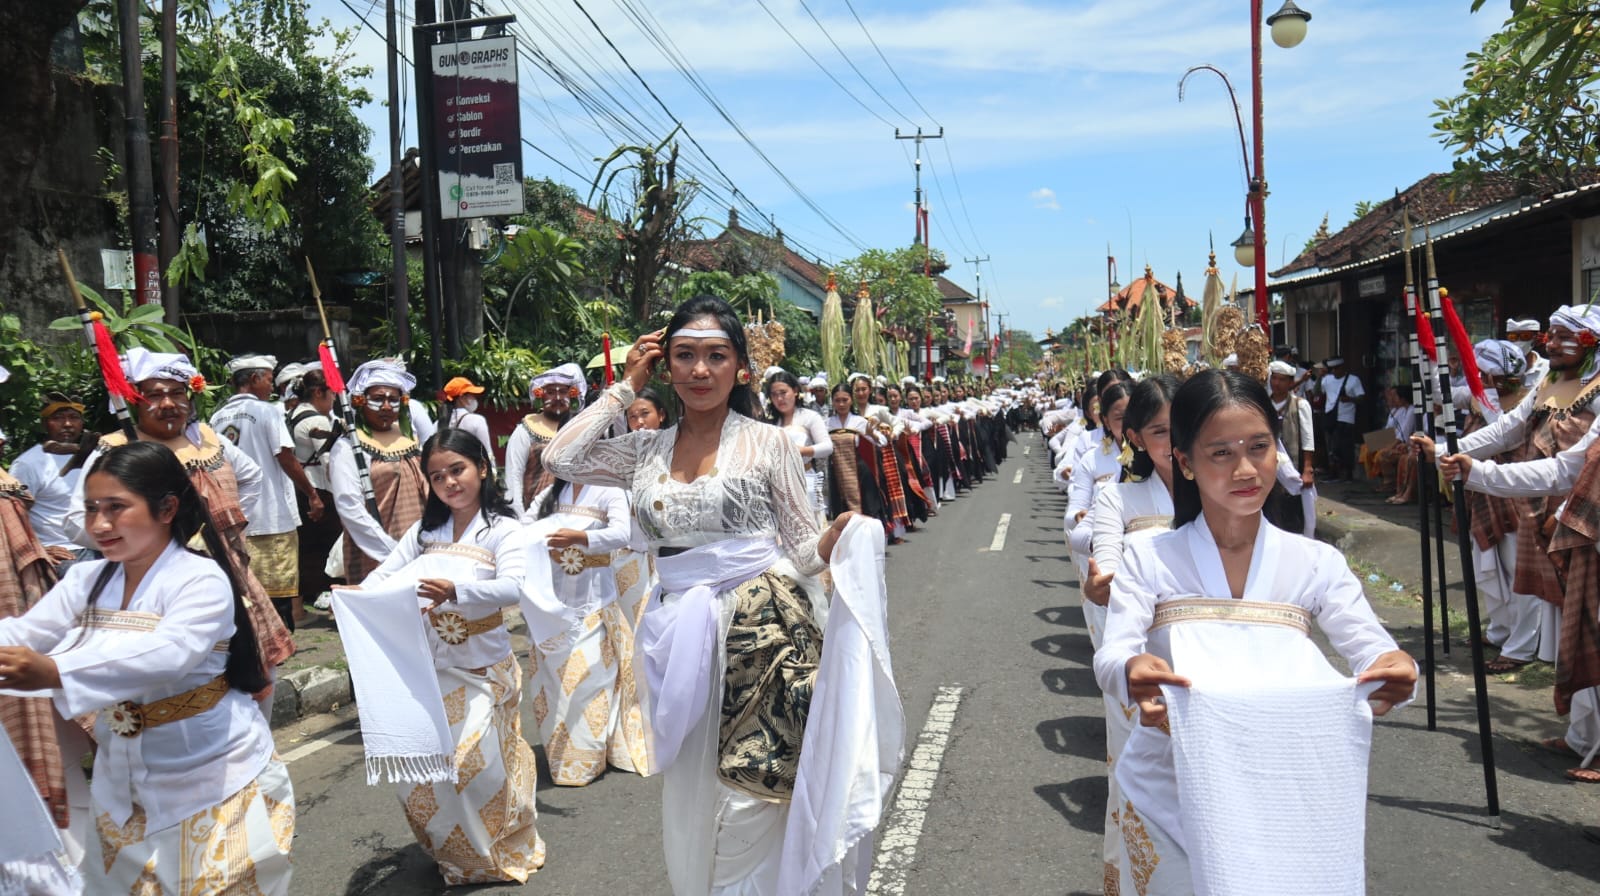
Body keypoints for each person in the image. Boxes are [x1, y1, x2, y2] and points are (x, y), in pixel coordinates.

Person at [542, 294, 900, 895]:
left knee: (751, 798)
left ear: (740, 368)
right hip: (675, 635)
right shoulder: (643, 449)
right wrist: (626, 385)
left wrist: (838, 537)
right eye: (684, 356)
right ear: (666, 365)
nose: (700, 371)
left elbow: (802, 548)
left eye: (716, 356)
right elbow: (561, 455)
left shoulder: (768, 443)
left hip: (763, 632)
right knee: (698, 791)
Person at [1093, 371, 1416, 893]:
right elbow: (1113, 655)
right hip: (1171, 786)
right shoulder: (1149, 558)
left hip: (1288, 789)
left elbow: (1373, 650)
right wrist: (1133, 671)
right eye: (1220, 452)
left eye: (1259, 446)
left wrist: (1399, 670)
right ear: (1185, 462)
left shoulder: (1316, 562)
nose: (1245, 469)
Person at [1, 441, 294, 893]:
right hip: (123, 784)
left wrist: (56, 671)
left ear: (167, 508)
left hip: (216, 773)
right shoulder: (85, 579)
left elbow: (170, 653)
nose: (99, 523)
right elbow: (21, 635)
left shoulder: (201, 580)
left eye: (116, 508)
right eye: (91, 508)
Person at [351, 429, 545, 883]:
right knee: (424, 768)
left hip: (482, 666)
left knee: (475, 763)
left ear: (482, 467)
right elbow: (385, 575)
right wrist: (354, 595)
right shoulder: (426, 532)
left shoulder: (504, 530)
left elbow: (514, 587)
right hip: (427, 668)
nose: (449, 483)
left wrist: (459, 590)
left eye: (457, 470)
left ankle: (501, 842)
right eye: (437, 476)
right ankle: (458, 853)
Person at [68, 349, 295, 709]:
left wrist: (227, 528)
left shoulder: (205, 439)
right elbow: (76, 523)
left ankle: (253, 753)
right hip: (153, 587)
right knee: (178, 680)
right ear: (134, 401)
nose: (168, 403)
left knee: (255, 669)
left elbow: (252, 478)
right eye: (155, 395)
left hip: (228, 574)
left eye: (177, 393)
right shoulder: (114, 451)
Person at [1082, 374, 1180, 892]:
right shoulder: (1117, 500)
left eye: (1182, 427)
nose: (1174, 442)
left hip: (1207, 660)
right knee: (1146, 791)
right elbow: (1105, 568)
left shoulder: (1219, 491)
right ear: (1136, 437)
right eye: (1160, 431)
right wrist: (1106, 583)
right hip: (1142, 661)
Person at [522, 429, 641, 785]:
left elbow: (623, 533)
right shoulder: (550, 492)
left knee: (587, 680)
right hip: (552, 602)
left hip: (594, 599)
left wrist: (582, 538)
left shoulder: (611, 489)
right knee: (553, 683)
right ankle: (561, 753)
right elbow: (523, 528)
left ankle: (587, 756)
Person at [212, 353, 324, 629]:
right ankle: (279, 642)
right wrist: (311, 493)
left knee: (245, 589)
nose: (272, 386)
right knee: (277, 591)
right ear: (254, 379)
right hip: (271, 514)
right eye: (269, 379)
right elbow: (285, 456)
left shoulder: (216, 417)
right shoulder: (267, 411)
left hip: (236, 515)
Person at [328, 358, 429, 584]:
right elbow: (350, 506)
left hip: (422, 545)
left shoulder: (410, 439)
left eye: (393, 400)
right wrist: (390, 552)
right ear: (360, 401)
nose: (386, 407)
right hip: (378, 552)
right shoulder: (348, 447)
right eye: (377, 399)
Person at [285, 368, 345, 612]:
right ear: (319, 392)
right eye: (331, 394)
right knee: (334, 548)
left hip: (299, 487)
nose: (333, 400)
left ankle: (299, 607)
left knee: (306, 549)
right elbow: (330, 462)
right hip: (319, 489)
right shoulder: (317, 420)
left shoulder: (293, 414)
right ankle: (337, 606)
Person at [10, 392, 89, 570]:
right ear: (45, 424)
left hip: (100, 545)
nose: (67, 424)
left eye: (74, 417)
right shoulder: (29, 463)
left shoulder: (93, 456)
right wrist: (39, 550)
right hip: (65, 552)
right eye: (58, 418)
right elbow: (14, 515)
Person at [505, 365, 584, 517]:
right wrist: (519, 520)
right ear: (541, 396)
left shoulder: (580, 427)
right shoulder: (525, 431)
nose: (558, 397)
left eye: (563, 391)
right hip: (535, 517)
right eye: (550, 392)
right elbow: (513, 477)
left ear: (572, 394)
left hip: (575, 517)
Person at [766, 370, 833, 521]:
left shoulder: (809, 417)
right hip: (778, 483)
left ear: (795, 391)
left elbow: (827, 447)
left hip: (806, 478)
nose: (779, 398)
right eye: (774, 394)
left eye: (783, 392)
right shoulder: (770, 422)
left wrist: (802, 451)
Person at [1320, 357, 1365, 481]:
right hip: (1330, 416)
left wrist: (1350, 399)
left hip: (1346, 418)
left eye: (1336, 369)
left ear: (1342, 368)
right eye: (1332, 369)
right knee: (1331, 447)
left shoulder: (1353, 380)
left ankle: (1347, 473)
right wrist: (1320, 377)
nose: (1334, 371)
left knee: (1345, 446)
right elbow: (1318, 392)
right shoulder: (1327, 379)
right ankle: (1333, 472)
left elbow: (1361, 397)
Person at [441, 375, 496, 464]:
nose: (474, 399)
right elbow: (486, 452)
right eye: (472, 395)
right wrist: (493, 472)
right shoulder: (477, 420)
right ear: (462, 398)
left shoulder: (438, 423)